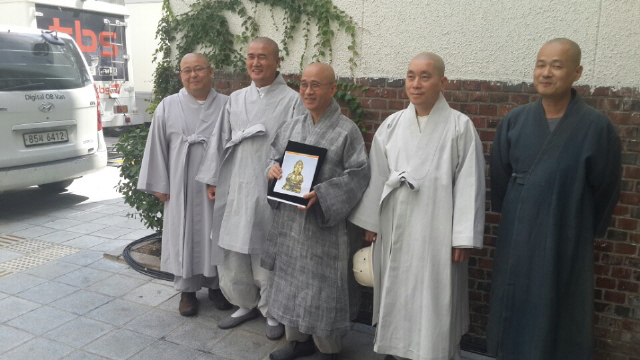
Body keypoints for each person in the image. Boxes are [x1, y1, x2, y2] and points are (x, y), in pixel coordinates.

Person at [487, 38, 621, 360]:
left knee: (561, 307)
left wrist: (583, 225)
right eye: (541, 64)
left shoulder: (597, 127)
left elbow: (606, 187)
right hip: (519, 233)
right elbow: (500, 179)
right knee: (514, 302)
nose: (546, 73)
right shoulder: (515, 121)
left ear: (577, 72)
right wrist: (523, 210)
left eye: (557, 66)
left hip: (568, 231)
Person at [348, 52, 486, 360]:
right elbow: (378, 175)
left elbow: (470, 184)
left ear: (442, 81)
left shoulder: (460, 127)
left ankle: (434, 351)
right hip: (396, 223)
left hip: (437, 226)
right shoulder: (392, 125)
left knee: (434, 294)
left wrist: (462, 237)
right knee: (397, 287)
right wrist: (372, 223)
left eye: (425, 76)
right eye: (411, 76)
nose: (416, 83)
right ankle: (396, 350)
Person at [196, 37, 304, 340]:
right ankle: (243, 303)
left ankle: (272, 310)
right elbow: (220, 140)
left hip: (268, 183)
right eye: (251, 57)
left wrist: (290, 186)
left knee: (265, 248)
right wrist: (214, 179)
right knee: (233, 246)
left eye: (264, 57)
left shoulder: (292, 99)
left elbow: (297, 146)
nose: (256, 63)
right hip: (236, 181)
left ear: (277, 61)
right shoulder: (236, 98)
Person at [263, 63, 370, 360]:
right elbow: (276, 160)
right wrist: (272, 171)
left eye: (316, 85)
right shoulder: (292, 125)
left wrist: (323, 194)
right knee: (291, 281)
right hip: (290, 223)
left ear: (332, 88)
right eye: (304, 85)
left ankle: (328, 348)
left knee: (323, 287)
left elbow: (359, 175)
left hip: (324, 226)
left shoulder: (347, 131)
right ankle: (298, 341)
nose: (308, 91)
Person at [137, 53, 232, 316]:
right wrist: (159, 182)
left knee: (215, 232)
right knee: (183, 233)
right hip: (180, 184)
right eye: (187, 70)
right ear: (181, 74)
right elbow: (156, 145)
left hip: (214, 183)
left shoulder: (228, 104)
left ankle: (217, 286)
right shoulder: (168, 106)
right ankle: (187, 291)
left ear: (211, 72)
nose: (193, 75)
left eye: (199, 69)